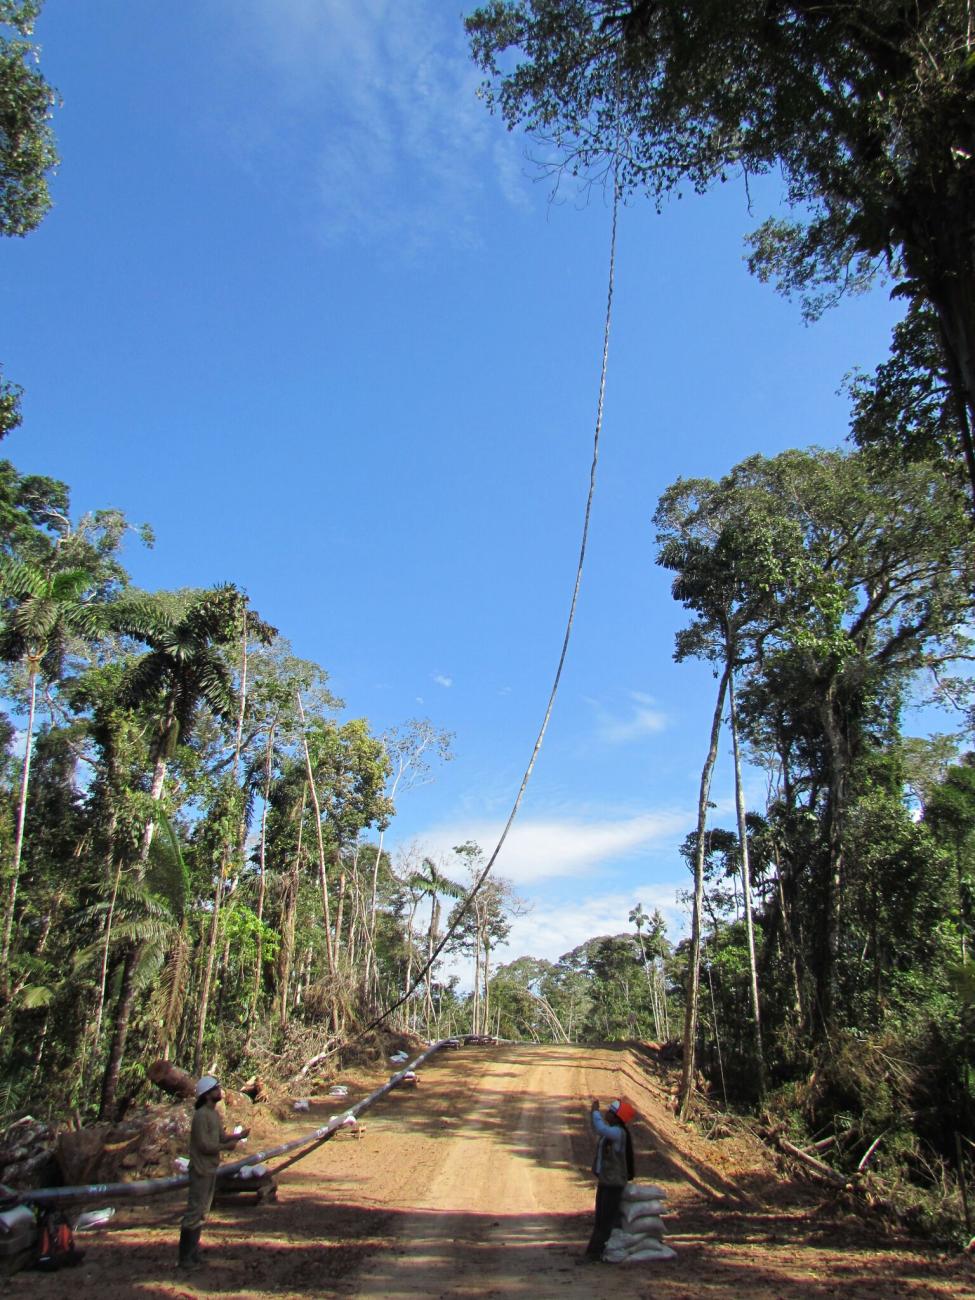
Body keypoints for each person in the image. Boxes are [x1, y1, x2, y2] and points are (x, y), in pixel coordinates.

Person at [177, 1074, 250, 1270]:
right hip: (201, 1169)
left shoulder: (213, 1114)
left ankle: (194, 1254)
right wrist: (226, 1147)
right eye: (217, 1089)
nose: (221, 1092)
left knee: (202, 1212)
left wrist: (238, 1136)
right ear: (208, 1095)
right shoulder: (201, 1115)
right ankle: (185, 1258)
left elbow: (220, 1137)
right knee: (195, 1211)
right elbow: (205, 1145)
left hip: (210, 1169)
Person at [584, 1097, 635, 1261]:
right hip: (607, 1181)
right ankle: (596, 1251)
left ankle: (595, 1252)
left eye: (610, 1112)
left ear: (617, 1117)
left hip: (613, 1184)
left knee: (605, 1219)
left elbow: (600, 1128)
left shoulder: (618, 1133)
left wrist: (595, 1113)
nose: (608, 1114)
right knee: (601, 1218)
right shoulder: (615, 1132)